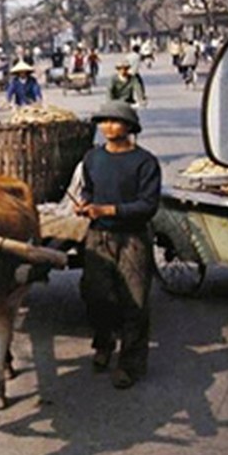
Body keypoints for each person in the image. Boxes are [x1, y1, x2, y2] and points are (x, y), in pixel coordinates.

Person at [75, 102, 160, 389]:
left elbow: (148, 205)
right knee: (95, 294)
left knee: (134, 300)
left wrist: (108, 210)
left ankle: (130, 364)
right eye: (103, 121)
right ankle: (104, 343)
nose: (107, 126)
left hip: (133, 238)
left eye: (115, 121)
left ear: (129, 127)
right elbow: (88, 188)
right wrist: (87, 203)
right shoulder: (92, 158)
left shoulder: (145, 162)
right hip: (98, 236)